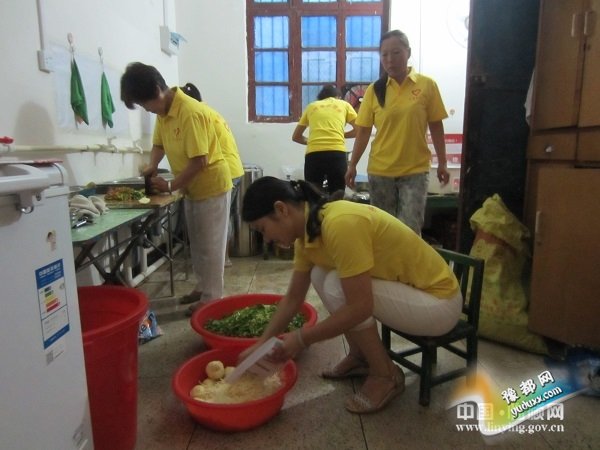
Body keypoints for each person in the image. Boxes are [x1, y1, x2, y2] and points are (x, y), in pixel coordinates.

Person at [240, 176, 462, 414]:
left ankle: (386, 375)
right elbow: (293, 299)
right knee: (321, 275)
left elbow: (360, 307)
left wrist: (302, 338)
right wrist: (261, 344)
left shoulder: (340, 223)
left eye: (263, 229)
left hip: (439, 303)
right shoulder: (308, 234)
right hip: (415, 295)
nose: (267, 239)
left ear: (281, 209)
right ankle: (361, 356)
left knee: (337, 287)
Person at [120, 62, 232, 313]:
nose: (147, 110)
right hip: (190, 188)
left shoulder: (190, 112)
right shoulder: (164, 113)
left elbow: (200, 161)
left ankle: (212, 299)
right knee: (198, 245)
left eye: (145, 104)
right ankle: (203, 288)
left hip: (211, 186)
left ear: (157, 90)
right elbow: (159, 145)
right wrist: (152, 165)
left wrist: (171, 185)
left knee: (211, 247)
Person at [345, 30, 451, 234]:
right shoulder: (374, 90)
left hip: (415, 171)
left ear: (408, 53)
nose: (390, 60)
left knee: (409, 230)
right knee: (383, 231)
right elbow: (364, 132)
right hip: (380, 172)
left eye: (396, 53)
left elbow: (436, 126)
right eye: (384, 54)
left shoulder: (427, 85)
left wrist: (443, 163)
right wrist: (352, 165)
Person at [180, 82, 244, 269]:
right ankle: (223, 258)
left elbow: (199, 153)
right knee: (224, 218)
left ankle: (221, 259)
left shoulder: (194, 115)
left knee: (218, 222)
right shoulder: (210, 112)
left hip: (224, 171)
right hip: (234, 168)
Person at [292, 85, 357, 194]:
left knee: (313, 195)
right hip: (336, 153)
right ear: (338, 96)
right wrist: (340, 134)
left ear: (320, 97)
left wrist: (313, 141)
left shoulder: (312, 106)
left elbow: (296, 137)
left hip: (314, 155)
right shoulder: (344, 104)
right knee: (337, 194)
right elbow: (359, 130)